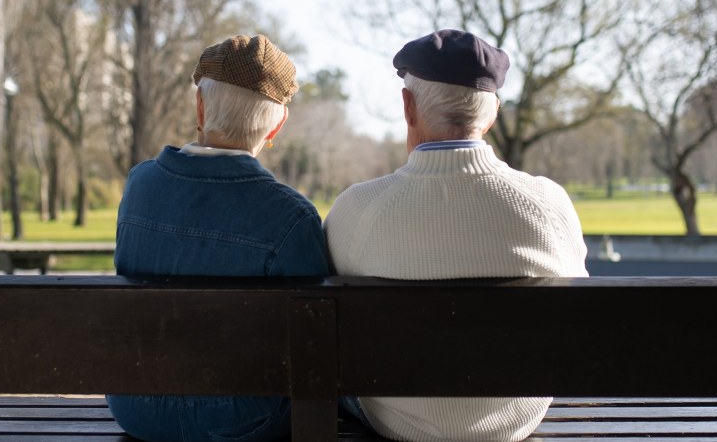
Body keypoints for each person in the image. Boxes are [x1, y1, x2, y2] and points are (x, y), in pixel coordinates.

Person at [325, 28, 589, 442]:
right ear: (493, 112)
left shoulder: (356, 209)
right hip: (513, 418)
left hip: (396, 420)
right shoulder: (548, 204)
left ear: (408, 106)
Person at [106, 34, 329, 442]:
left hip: (135, 406)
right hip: (243, 419)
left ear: (201, 105)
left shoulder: (139, 186)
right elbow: (311, 347)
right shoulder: (293, 217)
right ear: (277, 124)